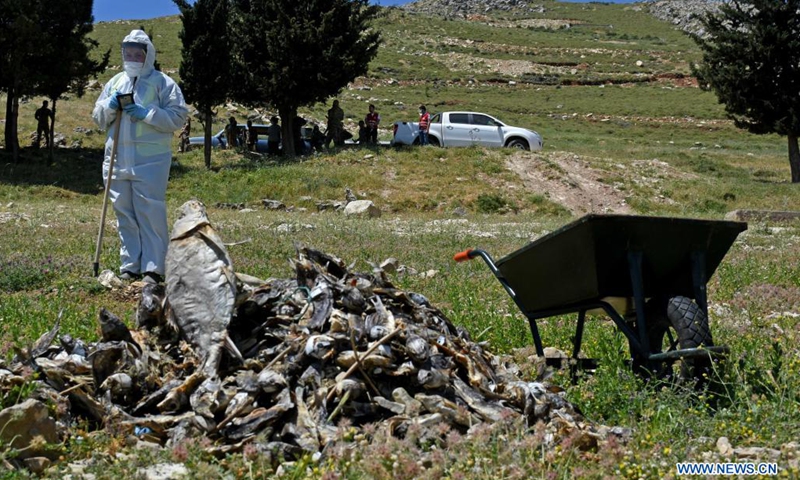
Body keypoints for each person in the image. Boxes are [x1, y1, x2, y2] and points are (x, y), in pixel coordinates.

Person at [91, 29, 188, 284]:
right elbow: (98, 118)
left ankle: (154, 269)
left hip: (150, 162)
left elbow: (178, 117)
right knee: (124, 213)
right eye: (128, 53)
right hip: (117, 160)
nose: (132, 57)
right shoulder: (114, 83)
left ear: (148, 55)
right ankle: (130, 266)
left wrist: (146, 113)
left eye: (138, 53)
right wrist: (110, 106)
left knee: (150, 211)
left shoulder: (163, 83)